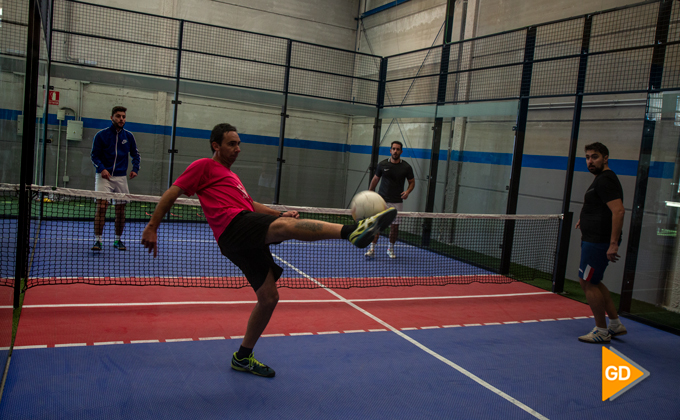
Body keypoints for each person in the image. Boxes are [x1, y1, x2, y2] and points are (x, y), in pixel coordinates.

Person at [141, 123, 396, 378]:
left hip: (239, 235)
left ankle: (242, 357)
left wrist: (278, 214)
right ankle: (352, 231)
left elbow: (249, 203)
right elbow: (172, 192)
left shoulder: (231, 176)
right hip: (232, 226)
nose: (237, 149)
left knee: (269, 297)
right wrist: (153, 226)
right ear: (215, 146)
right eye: (231, 144)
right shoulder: (204, 166)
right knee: (287, 228)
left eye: (239, 143)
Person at [575, 142, 627, 343]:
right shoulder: (600, 180)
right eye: (587, 157)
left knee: (587, 282)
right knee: (593, 281)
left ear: (605, 158)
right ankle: (614, 324)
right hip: (593, 239)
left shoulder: (606, 180)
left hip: (597, 242)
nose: (590, 161)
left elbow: (618, 211)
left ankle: (601, 331)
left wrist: (613, 243)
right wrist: (585, 219)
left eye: (594, 157)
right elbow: (600, 208)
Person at [90, 106, 140, 251]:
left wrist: (135, 169)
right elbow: (94, 156)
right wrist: (102, 169)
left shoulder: (129, 136)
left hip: (121, 177)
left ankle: (118, 240)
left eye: (123, 117)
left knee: (120, 210)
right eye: (118, 116)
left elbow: (136, 155)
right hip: (103, 176)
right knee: (102, 207)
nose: (121, 119)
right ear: (112, 117)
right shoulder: (101, 135)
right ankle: (98, 240)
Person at [365, 141, 415, 259]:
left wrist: (407, 192)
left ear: (401, 152)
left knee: (395, 227)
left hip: (397, 202)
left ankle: (390, 249)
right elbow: (375, 179)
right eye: (393, 149)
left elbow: (412, 182)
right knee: (377, 225)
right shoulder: (382, 165)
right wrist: (370, 192)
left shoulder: (406, 167)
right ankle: (372, 249)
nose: (395, 151)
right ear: (390, 150)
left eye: (398, 149)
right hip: (382, 200)